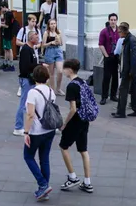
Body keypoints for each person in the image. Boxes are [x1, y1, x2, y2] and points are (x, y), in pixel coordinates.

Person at [59, 58, 93, 193]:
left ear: (69, 70)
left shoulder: (71, 86)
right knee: (83, 150)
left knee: (63, 146)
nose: (63, 70)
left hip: (76, 120)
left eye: (64, 68)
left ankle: (72, 177)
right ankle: (87, 182)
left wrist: (64, 123)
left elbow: (73, 108)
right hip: (85, 120)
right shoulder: (83, 82)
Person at [23, 65, 57, 201]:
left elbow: (30, 114)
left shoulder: (33, 92)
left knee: (28, 157)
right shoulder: (50, 91)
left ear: (34, 77)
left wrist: (26, 132)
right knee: (44, 159)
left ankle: (43, 184)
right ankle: (45, 189)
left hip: (36, 131)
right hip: (49, 129)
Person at [112, 22, 136, 118]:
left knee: (123, 89)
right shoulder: (127, 39)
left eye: (119, 31)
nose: (118, 33)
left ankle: (121, 112)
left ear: (124, 31)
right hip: (129, 69)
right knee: (133, 89)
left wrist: (131, 71)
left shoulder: (131, 40)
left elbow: (135, 57)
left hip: (129, 70)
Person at [14, 29, 40, 136]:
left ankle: (34, 124)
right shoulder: (26, 49)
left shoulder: (32, 48)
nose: (38, 38)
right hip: (26, 79)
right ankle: (18, 127)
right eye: (36, 37)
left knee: (31, 103)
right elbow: (26, 67)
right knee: (24, 103)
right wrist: (39, 67)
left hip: (30, 79)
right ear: (31, 38)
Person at [98, 14, 120, 105]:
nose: (113, 21)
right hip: (108, 56)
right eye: (111, 20)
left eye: (114, 20)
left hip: (117, 57)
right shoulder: (104, 31)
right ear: (109, 20)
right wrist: (106, 56)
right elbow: (101, 44)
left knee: (115, 77)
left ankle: (113, 95)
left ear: (117, 20)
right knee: (106, 77)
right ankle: (104, 97)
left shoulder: (119, 31)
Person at [41, 19, 64, 95]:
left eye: (54, 23)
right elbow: (43, 45)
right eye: (51, 24)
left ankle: (58, 88)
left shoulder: (58, 32)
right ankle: (52, 90)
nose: (53, 25)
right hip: (50, 51)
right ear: (49, 25)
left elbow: (61, 43)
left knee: (60, 71)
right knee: (51, 73)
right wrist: (51, 42)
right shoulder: (46, 33)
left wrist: (58, 41)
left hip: (58, 51)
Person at [0, 5, 18, 72]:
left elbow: (7, 26)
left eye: (1, 8)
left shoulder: (7, 14)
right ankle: (6, 63)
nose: (1, 10)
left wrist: (0, 24)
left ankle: (11, 65)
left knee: (9, 49)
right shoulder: (10, 13)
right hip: (9, 33)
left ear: (4, 7)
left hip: (7, 34)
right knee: (6, 49)